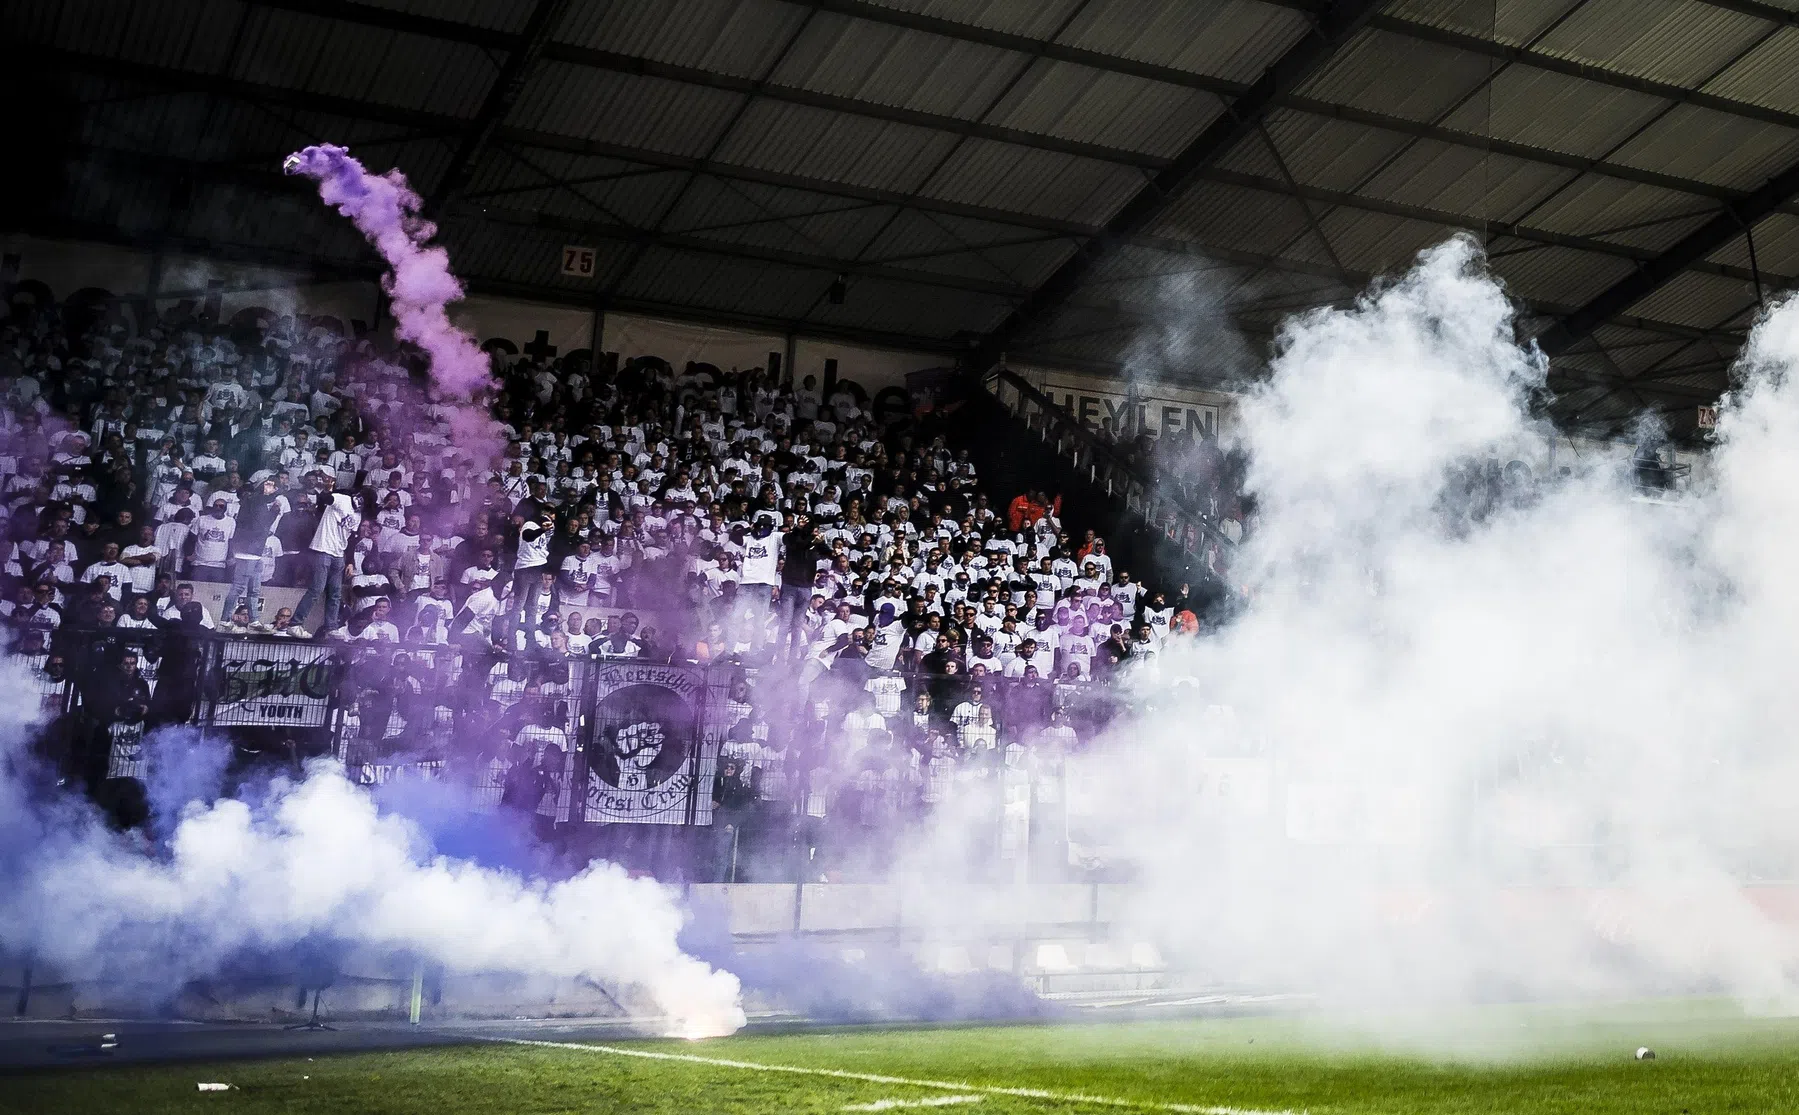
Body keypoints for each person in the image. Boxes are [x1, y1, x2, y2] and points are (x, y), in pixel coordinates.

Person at [292, 482, 363, 638]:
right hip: (323, 549)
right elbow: (325, 498)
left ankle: (331, 627)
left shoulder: (358, 515)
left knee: (336, 593)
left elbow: (350, 540)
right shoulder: (342, 499)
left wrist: (350, 561)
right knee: (316, 590)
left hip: (339, 553)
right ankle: (295, 623)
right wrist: (327, 488)